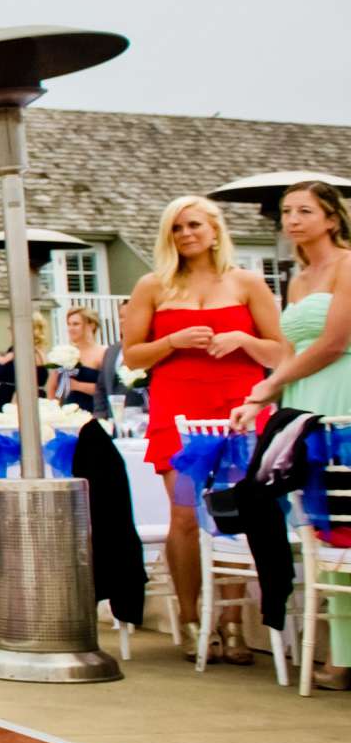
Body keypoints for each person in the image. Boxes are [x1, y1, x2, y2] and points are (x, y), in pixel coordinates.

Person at [123, 195, 280, 665]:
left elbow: (280, 353)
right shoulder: (153, 286)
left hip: (239, 405)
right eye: (176, 227)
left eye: (194, 225)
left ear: (214, 229)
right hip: (177, 406)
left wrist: (245, 339)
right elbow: (132, 356)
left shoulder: (249, 283)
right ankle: (192, 620)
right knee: (186, 515)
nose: (186, 234)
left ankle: (233, 624)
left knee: (235, 516)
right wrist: (170, 341)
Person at [232, 182, 351, 684]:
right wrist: (260, 395)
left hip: (343, 389)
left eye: (305, 210)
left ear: (331, 218)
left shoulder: (348, 264)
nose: (293, 219)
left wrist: (275, 384)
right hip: (303, 399)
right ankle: (339, 654)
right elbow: (287, 351)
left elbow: (333, 341)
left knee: (344, 516)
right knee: (317, 523)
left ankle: (341, 656)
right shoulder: (297, 279)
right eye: (286, 211)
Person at [58, 307, 113, 418]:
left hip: (93, 412)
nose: (71, 328)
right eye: (69, 324)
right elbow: (56, 388)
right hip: (68, 413)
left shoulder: (103, 353)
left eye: (76, 324)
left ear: (91, 325)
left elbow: (108, 388)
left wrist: (78, 386)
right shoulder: (66, 353)